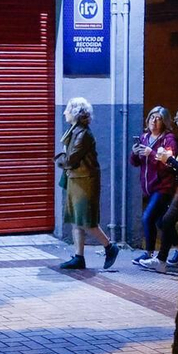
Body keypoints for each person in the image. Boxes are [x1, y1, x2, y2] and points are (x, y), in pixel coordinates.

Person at [55, 97, 119, 270]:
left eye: (68, 109)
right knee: (76, 220)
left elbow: (71, 159)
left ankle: (109, 246)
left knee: (86, 220)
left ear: (75, 113)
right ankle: (79, 257)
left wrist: (59, 159)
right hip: (76, 179)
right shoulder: (74, 130)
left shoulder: (82, 134)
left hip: (84, 181)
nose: (64, 112)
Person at [139, 105, 178, 276]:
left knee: (163, 220)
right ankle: (169, 257)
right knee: (165, 221)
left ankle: (162, 259)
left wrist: (168, 160)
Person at [129, 105, 177, 264]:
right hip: (149, 187)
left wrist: (152, 154)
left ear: (165, 122)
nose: (154, 121)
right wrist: (134, 153)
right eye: (152, 117)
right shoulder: (144, 138)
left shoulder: (168, 139)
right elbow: (135, 163)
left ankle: (149, 253)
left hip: (163, 186)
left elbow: (169, 164)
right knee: (162, 222)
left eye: (158, 119)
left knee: (147, 217)